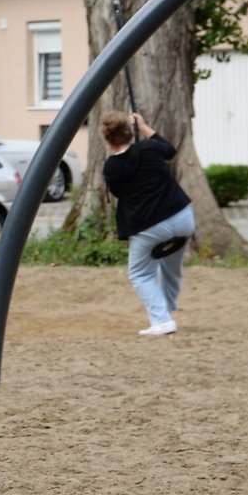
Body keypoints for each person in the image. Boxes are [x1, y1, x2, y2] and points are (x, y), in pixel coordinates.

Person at [101, 111, 196, 337]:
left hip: (148, 226)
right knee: (170, 264)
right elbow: (169, 150)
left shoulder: (112, 166)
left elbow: (116, 191)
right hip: (182, 217)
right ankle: (168, 306)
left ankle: (162, 320)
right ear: (130, 132)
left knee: (140, 274)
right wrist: (143, 127)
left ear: (107, 140)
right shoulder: (149, 148)